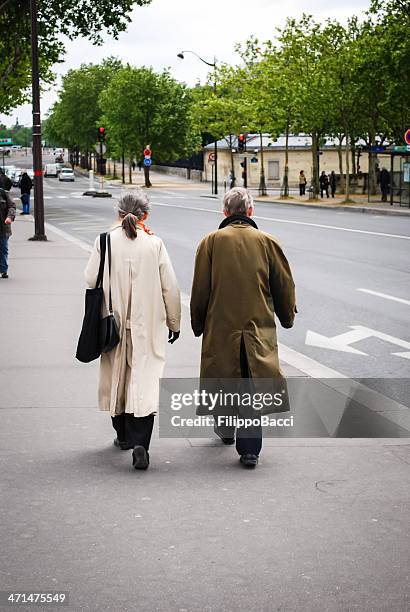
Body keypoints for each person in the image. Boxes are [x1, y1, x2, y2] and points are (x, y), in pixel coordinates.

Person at [190, 187, 297, 468]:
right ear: (250, 211)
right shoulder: (268, 242)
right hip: (257, 328)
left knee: (223, 377)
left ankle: (225, 430)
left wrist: (197, 322)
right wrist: (287, 318)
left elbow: (200, 288)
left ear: (225, 212)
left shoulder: (210, 242)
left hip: (220, 328)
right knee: (251, 383)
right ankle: (250, 449)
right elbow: (284, 286)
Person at [84, 190, 181, 470]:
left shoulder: (104, 241)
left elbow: (91, 279)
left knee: (117, 376)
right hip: (147, 324)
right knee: (144, 380)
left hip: (112, 324)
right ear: (145, 216)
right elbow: (170, 288)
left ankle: (122, 436)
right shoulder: (155, 244)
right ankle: (141, 443)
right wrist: (174, 323)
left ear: (117, 213)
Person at [0, 186, 16, 279]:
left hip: (3, 227)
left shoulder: (3, 193)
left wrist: (10, 217)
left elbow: (12, 206)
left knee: (3, 249)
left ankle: (3, 270)